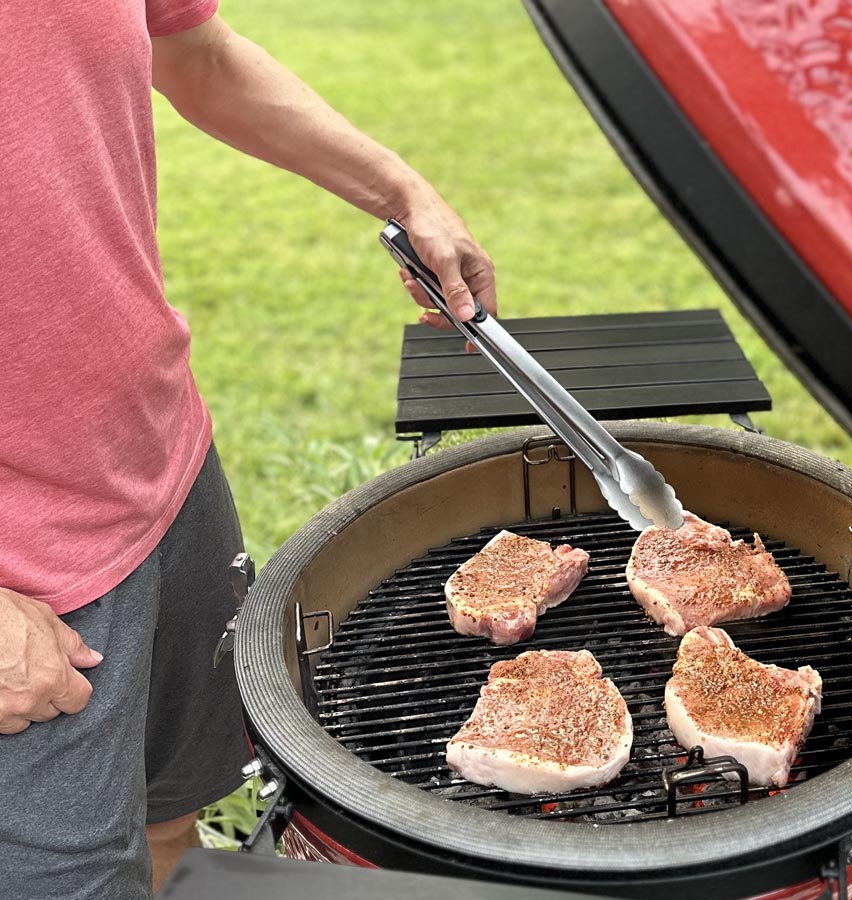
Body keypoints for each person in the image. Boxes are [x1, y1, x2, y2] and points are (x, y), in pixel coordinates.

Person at [0, 3, 492, 897]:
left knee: (169, 821)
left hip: (162, 464)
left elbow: (199, 54)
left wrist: (402, 191)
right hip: (25, 584)